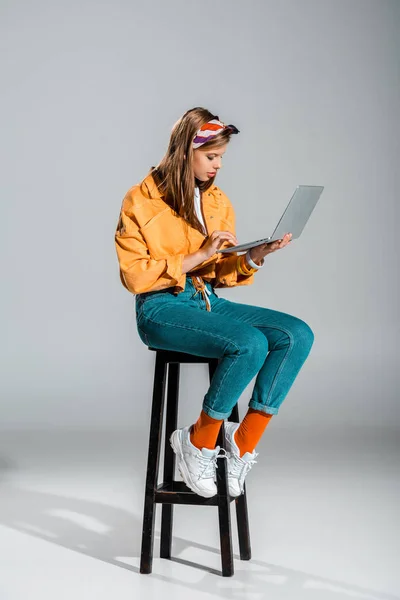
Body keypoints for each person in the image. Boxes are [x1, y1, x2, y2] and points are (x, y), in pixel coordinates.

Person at [115, 107, 315, 499]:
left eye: (221, 156)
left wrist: (258, 254)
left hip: (205, 300)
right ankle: (198, 441)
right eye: (211, 156)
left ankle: (241, 445)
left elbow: (219, 271)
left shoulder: (217, 199)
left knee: (296, 335)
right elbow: (135, 276)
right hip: (160, 308)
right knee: (250, 343)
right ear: (183, 151)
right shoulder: (141, 199)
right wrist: (197, 255)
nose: (218, 165)